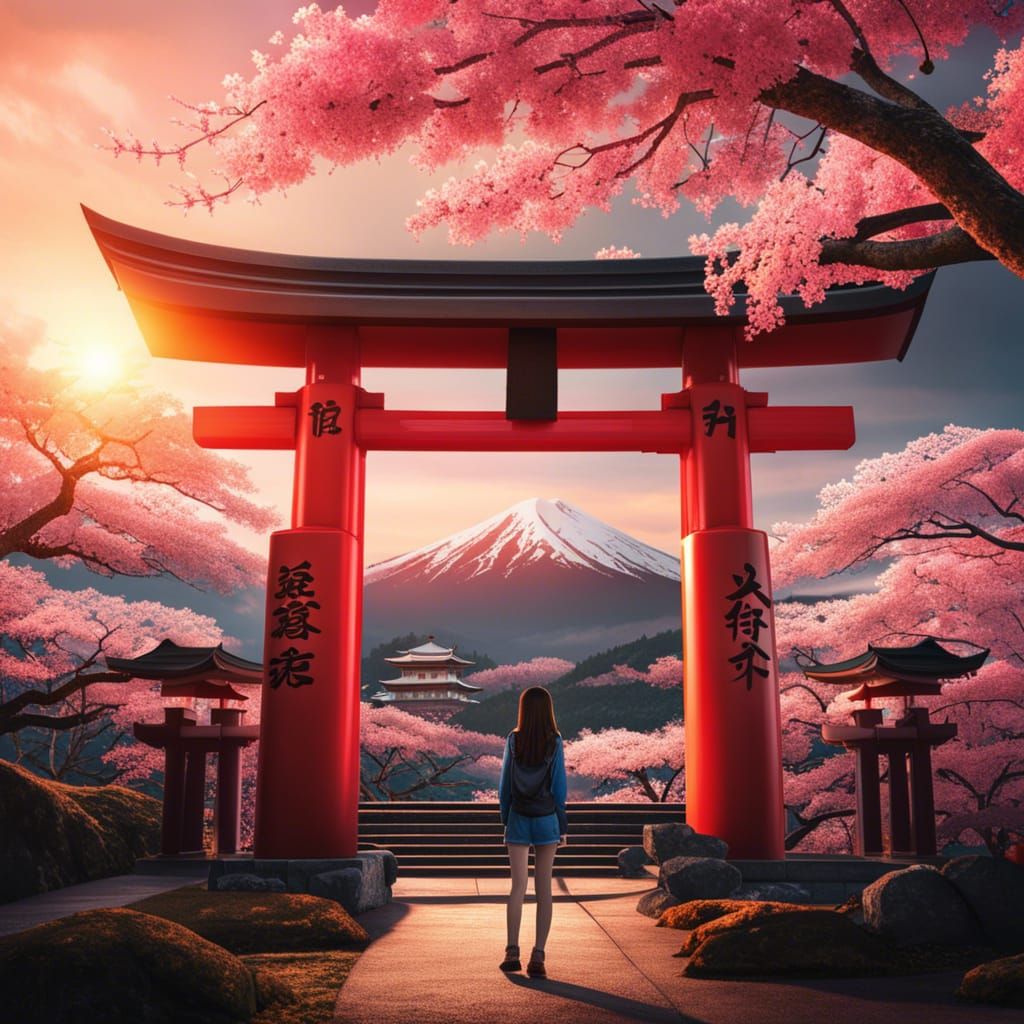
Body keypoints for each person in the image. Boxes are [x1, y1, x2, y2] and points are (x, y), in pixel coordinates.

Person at [497, 685, 568, 979]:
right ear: (548, 710)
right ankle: (538, 956)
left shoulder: (514, 740)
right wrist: (562, 825)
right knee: (544, 889)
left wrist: (506, 819)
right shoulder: (555, 741)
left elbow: (504, 787)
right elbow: (559, 788)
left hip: (518, 818)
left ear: (523, 709)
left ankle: (512, 951)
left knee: (517, 887)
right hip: (547, 818)